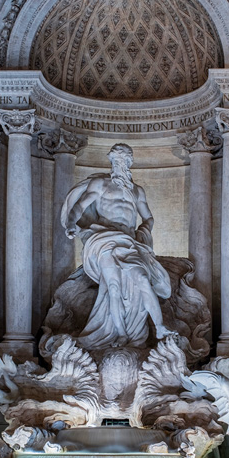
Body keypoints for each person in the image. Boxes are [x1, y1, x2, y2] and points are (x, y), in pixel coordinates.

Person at [58, 143, 172, 349]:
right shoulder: (100, 184)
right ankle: (119, 334)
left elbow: (148, 217)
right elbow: (80, 206)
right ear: (111, 161)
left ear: (129, 163)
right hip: (104, 240)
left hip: (129, 242)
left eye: (124, 160)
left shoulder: (137, 191)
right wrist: (71, 223)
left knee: (143, 279)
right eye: (116, 160)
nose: (119, 164)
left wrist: (143, 233)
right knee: (113, 287)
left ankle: (160, 326)